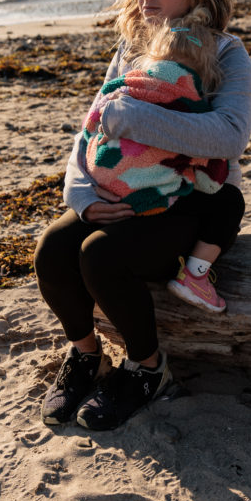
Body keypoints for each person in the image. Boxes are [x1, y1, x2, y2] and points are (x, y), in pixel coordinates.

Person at [34, 0, 251, 431]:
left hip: (192, 199)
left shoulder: (226, 50)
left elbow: (230, 137)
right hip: (117, 188)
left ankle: (147, 368)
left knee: (100, 255)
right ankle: (87, 356)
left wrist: (136, 117)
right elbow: (92, 128)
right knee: (51, 248)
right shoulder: (130, 49)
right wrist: (84, 198)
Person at [80, 16, 232, 312]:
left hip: (102, 183)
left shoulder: (126, 82)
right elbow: (211, 177)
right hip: (145, 199)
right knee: (228, 203)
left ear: (152, 53)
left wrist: (89, 175)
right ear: (204, 68)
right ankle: (196, 276)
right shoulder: (192, 103)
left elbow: (89, 126)